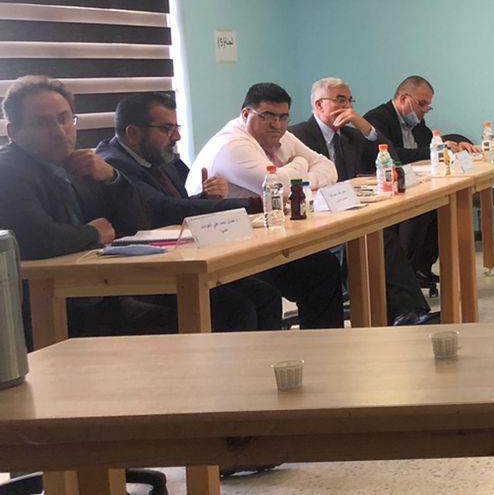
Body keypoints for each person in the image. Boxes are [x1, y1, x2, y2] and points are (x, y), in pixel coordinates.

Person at [93, 91, 283, 333]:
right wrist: (252, 204)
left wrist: (205, 198)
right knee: (238, 308)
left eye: (177, 127)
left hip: (180, 260)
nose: (177, 136)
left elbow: (180, 204)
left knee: (265, 294)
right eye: (166, 129)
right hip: (144, 274)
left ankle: (267, 357)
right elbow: (162, 209)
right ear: (133, 133)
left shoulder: (161, 157)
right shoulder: (113, 163)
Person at [187, 83, 346, 328]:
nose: (277, 124)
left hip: (262, 239)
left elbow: (328, 169)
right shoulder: (233, 144)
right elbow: (279, 185)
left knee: (323, 268)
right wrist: (301, 163)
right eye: (268, 116)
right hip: (222, 249)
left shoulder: (281, 136)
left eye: (283, 117)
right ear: (246, 114)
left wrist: (299, 179)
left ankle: (323, 345)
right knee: (264, 293)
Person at [288, 77, 437, 326]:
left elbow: (391, 157)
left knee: (382, 234)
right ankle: (404, 312)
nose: (346, 106)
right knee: (375, 239)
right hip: (316, 221)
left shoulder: (350, 135)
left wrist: (365, 127)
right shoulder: (297, 136)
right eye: (339, 100)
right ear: (319, 104)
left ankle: (406, 311)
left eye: (349, 100)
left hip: (349, 214)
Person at [364, 76, 476, 280]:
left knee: (443, 206)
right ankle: (404, 274)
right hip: (386, 187)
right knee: (420, 212)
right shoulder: (377, 118)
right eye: (422, 104)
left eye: (427, 106)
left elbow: (430, 144)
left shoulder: (416, 120)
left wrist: (453, 146)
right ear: (404, 98)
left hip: (415, 182)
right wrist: (433, 150)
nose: (425, 110)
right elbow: (393, 154)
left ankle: (421, 267)